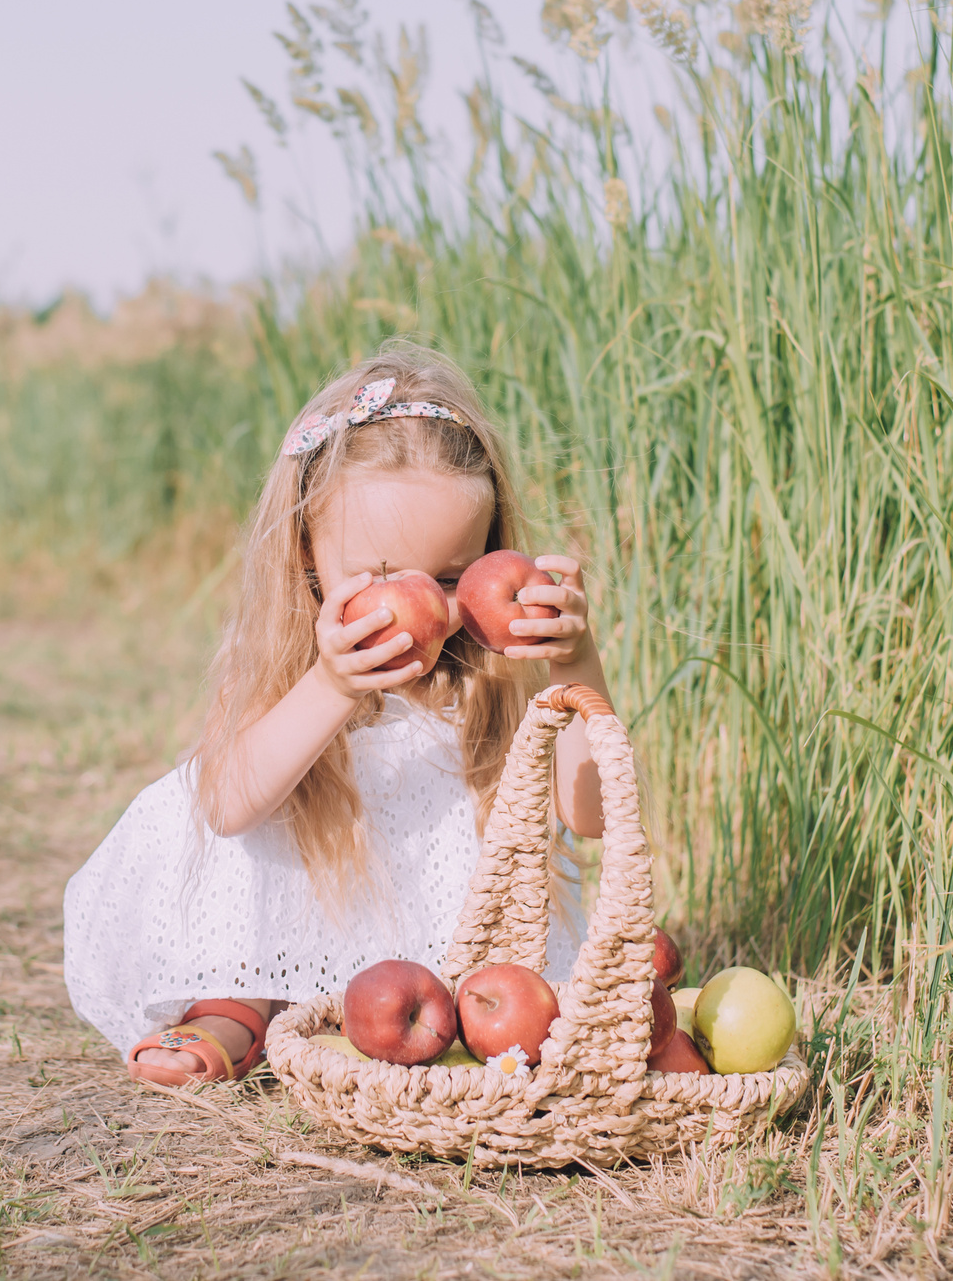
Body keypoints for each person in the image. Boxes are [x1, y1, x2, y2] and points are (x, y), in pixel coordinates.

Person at [63, 344, 608, 1085]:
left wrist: (573, 660)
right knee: (249, 797)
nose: (424, 601)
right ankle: (236, 1004)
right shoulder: (281, 658)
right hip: (294, 912)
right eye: (381, 575)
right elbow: (227, 806)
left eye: (453, 576)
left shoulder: (492, 672)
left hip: (433, 963)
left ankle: (447, 1019)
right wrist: (331, 684)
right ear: (306, 552)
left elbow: (591, 814)